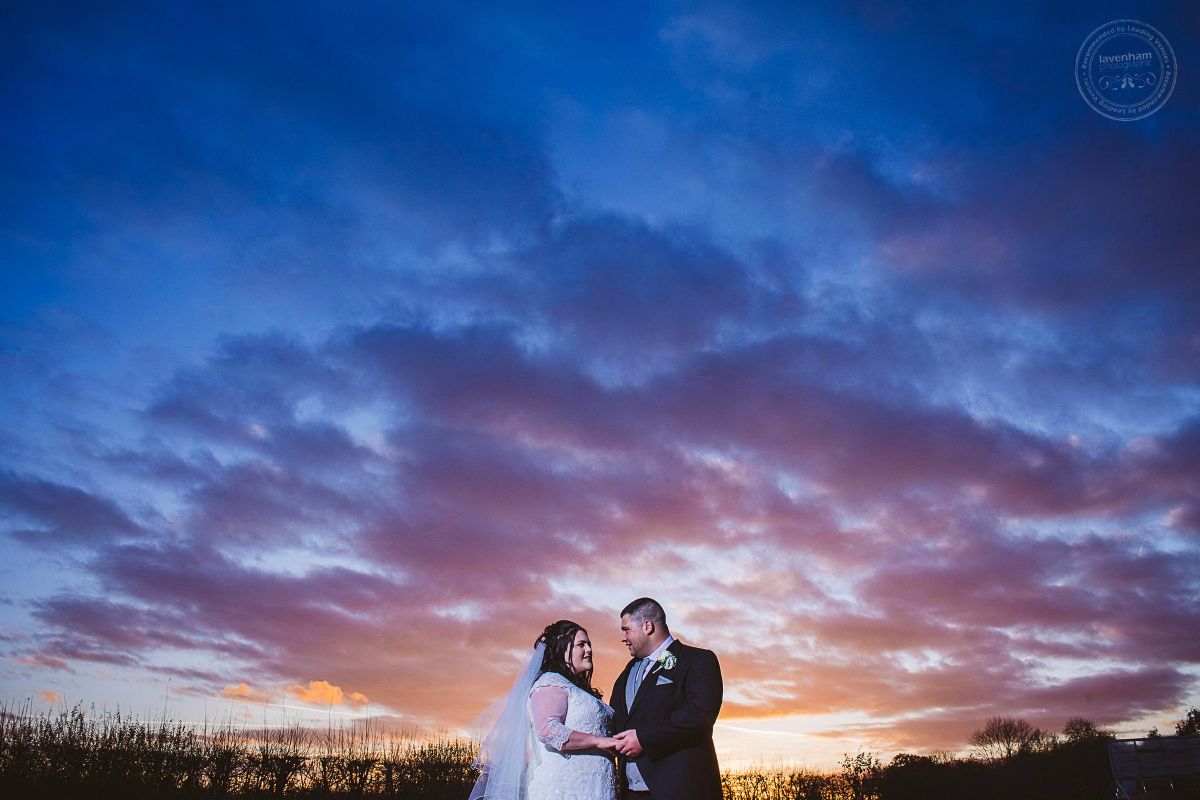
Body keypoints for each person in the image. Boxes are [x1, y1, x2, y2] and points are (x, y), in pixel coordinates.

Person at [469, 620, 618, 800]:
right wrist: (598, 741)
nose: (589, 650)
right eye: (581, 645)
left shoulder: (580, 690)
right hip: (564, 787)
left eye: (589, 644)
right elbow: (549, 730)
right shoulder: (551, 683)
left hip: (595, 785)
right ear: (561, 650)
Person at [610, 598, 723, 800]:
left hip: (681, 789)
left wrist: (643, 738)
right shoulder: (626, 673)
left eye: (626, 629)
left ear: (647, 626)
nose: (623, 638)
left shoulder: (697, 660)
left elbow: (699, 715)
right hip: (631, 793)